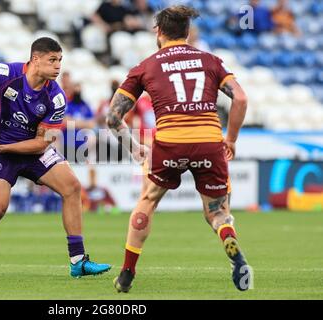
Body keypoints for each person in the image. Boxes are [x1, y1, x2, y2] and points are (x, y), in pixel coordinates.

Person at [107, 6, 251, 293]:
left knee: (147, 201)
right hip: (209, 141)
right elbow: (241, 99)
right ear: (187, 32)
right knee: (217, 211)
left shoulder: (146, 66)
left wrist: (134, 147)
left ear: (158, 31)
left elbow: (112, 118)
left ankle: (126, 274)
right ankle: (229, 240)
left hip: (170, 143)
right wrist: (231, 139)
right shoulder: (210, 61)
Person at [0, 37, 111, 281]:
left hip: (26, 150)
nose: (58, 66)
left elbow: (42, 143)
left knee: (72, 187)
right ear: (35, 60)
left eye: (60, 61)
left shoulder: (56, 97)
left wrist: (6, 147)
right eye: (52, 60)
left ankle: (78, 261)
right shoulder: (6, 73)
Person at [62, 83, 96, 163]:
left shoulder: (85, 105)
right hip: (68, 142)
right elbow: (65, 122)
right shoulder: (68, 105)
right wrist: (83, 123)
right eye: (75, 90)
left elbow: (91, 124)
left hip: (83, 143)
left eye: (79, 90)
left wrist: (73, 122)